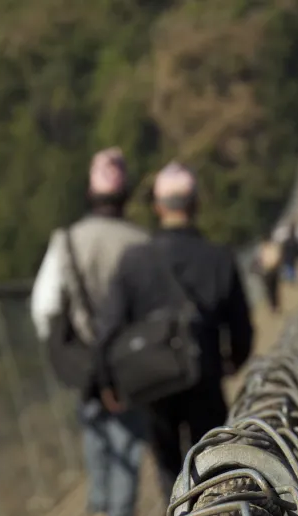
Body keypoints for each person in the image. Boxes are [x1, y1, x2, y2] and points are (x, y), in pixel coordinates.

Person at [92, 161, 254, 498]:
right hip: (204, 375)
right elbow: (241, 325)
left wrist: (107, 381)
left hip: (154, 379)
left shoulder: (134, 260)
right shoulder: (219, 258)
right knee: (211, 458)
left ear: (157, 207)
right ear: (195, 204)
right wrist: (232, 361)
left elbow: (108, 329)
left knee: (167, 462)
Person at [30, 147, 149, 516]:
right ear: (125, 195)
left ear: (89, 193)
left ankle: (99, 507)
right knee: (128, 437)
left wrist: (62, 349)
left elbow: (45, 304)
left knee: (94, 428)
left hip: (84, 358)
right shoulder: (140, 243)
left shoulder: (66, 242)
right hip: (129, 358)